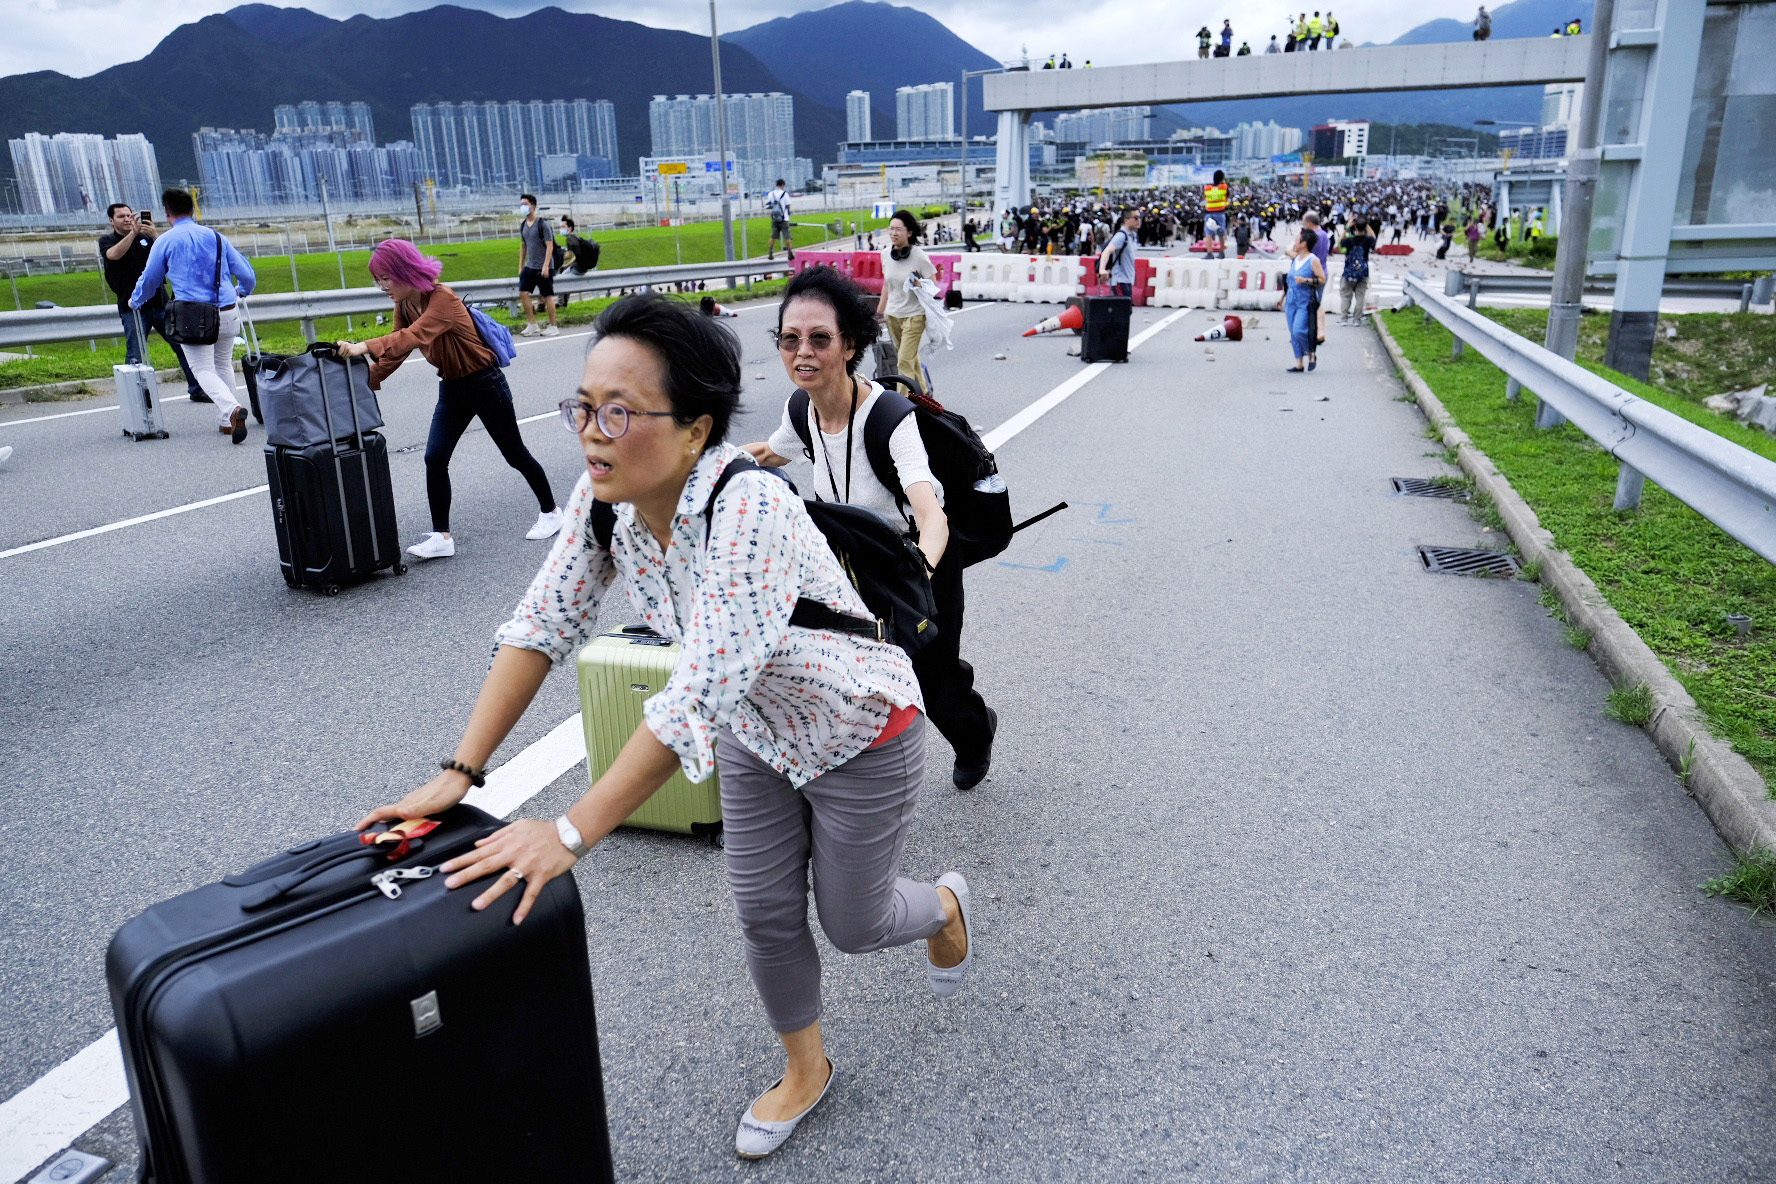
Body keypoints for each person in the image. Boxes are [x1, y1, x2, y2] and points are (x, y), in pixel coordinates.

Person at [359, 292, 973, 1161]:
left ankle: (943, 907)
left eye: (620, 412)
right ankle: (806, 1069)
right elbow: (541, 624)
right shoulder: (603, 498)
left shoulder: (749, 508)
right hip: (757, 734)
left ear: (696, 428)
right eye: (583, 407)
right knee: (763, 912)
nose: (592, 434)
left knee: (854, 921)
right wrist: (461, 770)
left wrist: (567, 833)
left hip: (856, 729)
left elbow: (695, 693)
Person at [744, 265, 999, 788]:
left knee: (932, 683)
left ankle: (975, 729)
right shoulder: (802, 409)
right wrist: (703, 466)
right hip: (850, 564)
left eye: (819, 339)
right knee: (842, 669)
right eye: (790, 339)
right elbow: (771, 452)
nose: (802, 352)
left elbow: (930, 513)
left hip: (917, 562)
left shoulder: (889, 419)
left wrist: (922, 572)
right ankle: (847, 779)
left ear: (850, 344)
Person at [334, 239, 560, 561]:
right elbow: (397, 353)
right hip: (452, 386)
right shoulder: (404, 305)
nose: (382, 285)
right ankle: (442, 536)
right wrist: (361, 384)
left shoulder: (442, 298)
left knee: (514, 454)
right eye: (377, 279)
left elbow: (413, 336)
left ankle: (551, 512)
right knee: (435, 458)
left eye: (386, 277)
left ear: (404, 270)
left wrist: (363, 345)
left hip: (485, 382)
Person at [127, 187, 255, 445]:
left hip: (194, 316)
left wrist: (136, 300)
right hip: (229, 311)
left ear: (167, 212)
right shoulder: (217, 237)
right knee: (223, 363)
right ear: (193, 209)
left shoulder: (166, 240)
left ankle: (231, 410)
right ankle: (226, 421)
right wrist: (242, 291)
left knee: (202, 368)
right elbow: (247, 274)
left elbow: (151, 278)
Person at [99, 202, 207, 405]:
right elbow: (113, 256)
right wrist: (132, 234)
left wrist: (155, 236)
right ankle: (135, 399)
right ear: (111, 221)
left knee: (182, 346)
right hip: (132, 306)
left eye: (130, 215)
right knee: (135, 354)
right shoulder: (108, 241)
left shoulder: (147, 238)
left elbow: (169, 257)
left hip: (160, 302)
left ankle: (197, 388)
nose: (127, 219)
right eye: (121, 216)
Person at [875, 209, 936, 388]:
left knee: (903, 361)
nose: (893, 233)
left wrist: (919, 284)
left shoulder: (919, 256)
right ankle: (924, 397)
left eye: (898, 229)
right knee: (910, 359)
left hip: (915, 315)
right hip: (893, 315)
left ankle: (904, 406)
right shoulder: (885, 254)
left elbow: (933, 287)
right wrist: (879, 311)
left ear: (909, 232)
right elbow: (887, 284)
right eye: (891, 229)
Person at [1278, 227, 1324, 372]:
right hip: (1291, 299)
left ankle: (1310, 352)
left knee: (1298, 330)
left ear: (1304, 244)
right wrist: (1282, 297)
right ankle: (1299, 363)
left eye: (1297, 241)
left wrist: (1306, 280)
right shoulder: (1296, 258)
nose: (1294, 244)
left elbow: (1322, 279)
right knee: (1293, 332)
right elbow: (1289, 281)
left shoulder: (1313, 260)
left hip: (1305, 300)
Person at [515, 194, 558, 338]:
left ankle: (553, 326)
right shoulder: (523, 225)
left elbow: (550, 246)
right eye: (521, 204)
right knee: (523, 292)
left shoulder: (542, 224)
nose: (522, 206)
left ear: (533, 206)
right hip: (530, 265)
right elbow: (523, 246)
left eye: (525, 203)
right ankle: (532, 324)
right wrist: (521, 265)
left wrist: (546, 266)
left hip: (544, 266)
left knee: (547, 296)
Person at [1302, 210, 1331, 345]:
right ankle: (1318, 332)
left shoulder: (1312, 236)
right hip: (1324, 271)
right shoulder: (1324, 234)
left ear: (1308, 223)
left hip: (1312, 273)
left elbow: (1304, 255)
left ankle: (1315, 332)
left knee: (1311, 304)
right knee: (1316, 302)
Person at [1338, 218, 1374, 325]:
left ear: (1354, 228)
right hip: (1363, 272)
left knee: (1346, 296)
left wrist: (1347, 227)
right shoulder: (1368, 240)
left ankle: (1344, 318)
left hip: (1349, 272)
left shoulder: (1349, 241)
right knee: (1360, 296)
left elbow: (1340, 241)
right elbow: (1373, 237)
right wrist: (1366, 225)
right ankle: (1357, 319)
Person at [1098, 209, 1140, 297]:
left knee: (1123, 309)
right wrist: (1102, 269)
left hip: (1127, 280)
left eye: (1140, 218)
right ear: (1126, 220)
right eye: (1136, 218)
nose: (1139, 220)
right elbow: (1107, 250)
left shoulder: (1132, 236)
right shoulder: (1121, 236)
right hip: (1120, 280)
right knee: (1122, 309)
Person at [1203, 170, 1229, 259]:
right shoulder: (1224, 187)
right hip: (1220, 213)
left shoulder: (1207, 188)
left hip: (1209, 213)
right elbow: (1227, 195)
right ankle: (1222, 252)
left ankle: (1210, 253)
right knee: (1221, 233)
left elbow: (1205, 196)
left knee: (1209, 233)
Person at [766, 179, 793, 261]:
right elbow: (788, 205)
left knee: (772, 236)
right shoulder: (785, 194)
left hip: (775, 218)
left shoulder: (771, 194)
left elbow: (769, 205)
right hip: (784, 218)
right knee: (787, 236)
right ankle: (789, 252)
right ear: (782, 185)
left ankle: (770, 252)